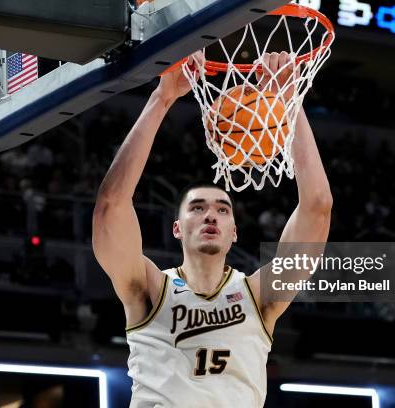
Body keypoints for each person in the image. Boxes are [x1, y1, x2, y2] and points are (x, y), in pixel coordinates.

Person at [92, 51, 332, 407]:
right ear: (177, 228)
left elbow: (317, 207)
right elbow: (111, 205)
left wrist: (288, 102)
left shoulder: (259, 296)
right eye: (198, 208)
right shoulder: (149, 289)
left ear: (234, 231)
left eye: (222, 209)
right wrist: (162, 98)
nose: (211, 215)